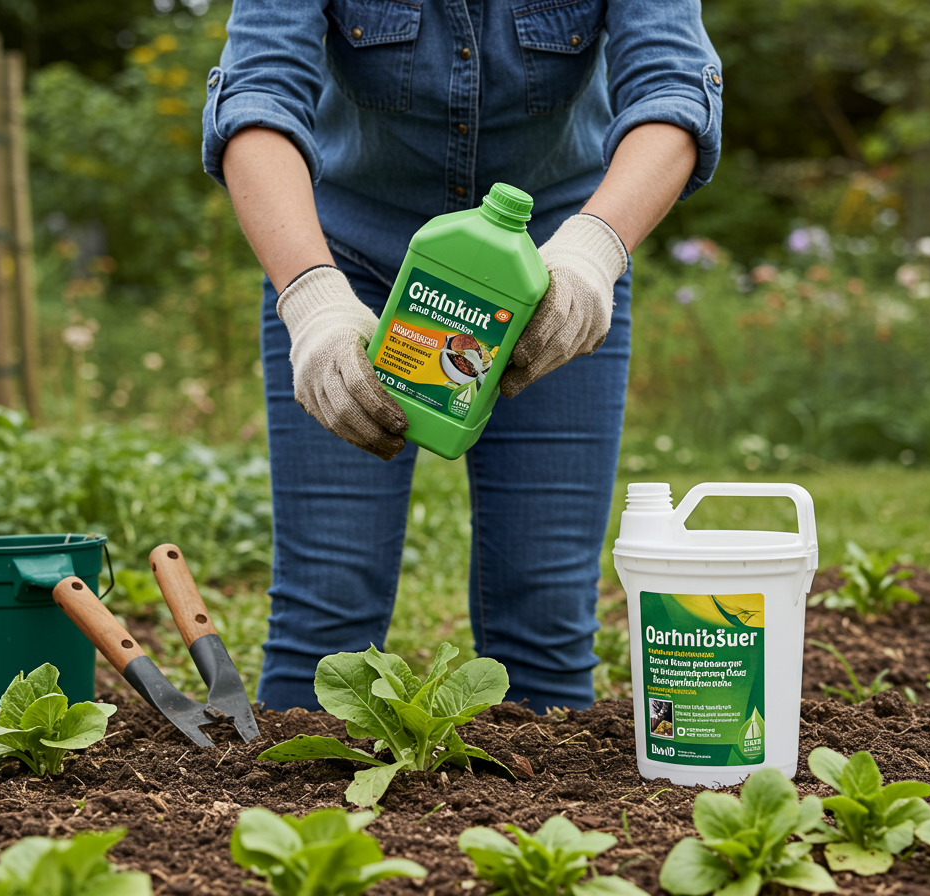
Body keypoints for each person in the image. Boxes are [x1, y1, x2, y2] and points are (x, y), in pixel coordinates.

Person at [202, 1, 721, 714]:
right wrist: (312, 301)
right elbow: (258, 95)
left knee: (545, 609)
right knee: (328, 602)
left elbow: (672, 87)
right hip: (346, 265)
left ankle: (546, 825)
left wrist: (593, 253)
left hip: (549, 273)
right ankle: (297, 824)